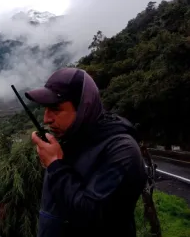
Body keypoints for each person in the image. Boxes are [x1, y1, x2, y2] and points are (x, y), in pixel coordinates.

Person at [25, 68, 148, 237]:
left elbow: (91, 216)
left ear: (84, 107)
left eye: (56, 109)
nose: (46, 119)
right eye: (46, 109)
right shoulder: (72, 139)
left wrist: (55, 165)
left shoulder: (121, 150)